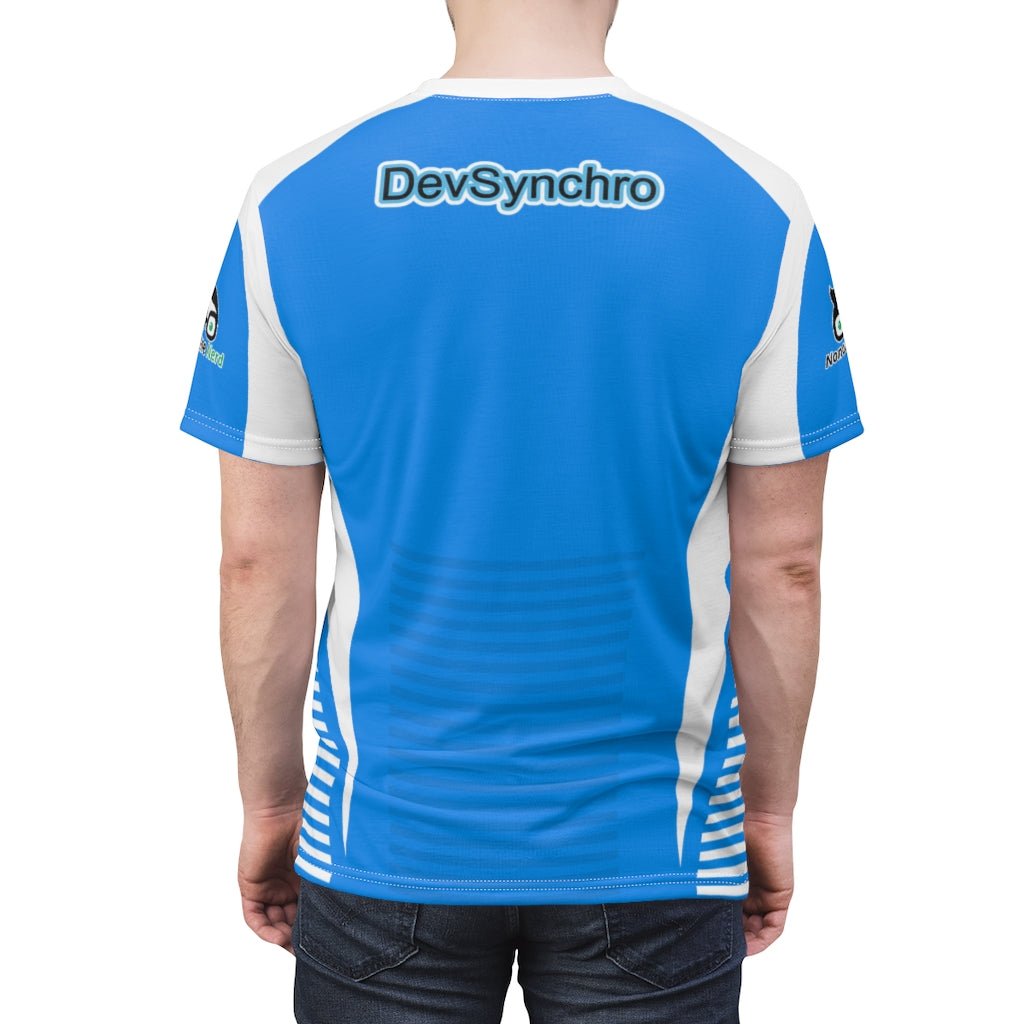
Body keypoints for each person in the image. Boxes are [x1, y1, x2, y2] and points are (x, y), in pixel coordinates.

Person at [180, 1, 863, 1020]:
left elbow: (257, 562)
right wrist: (765, 811)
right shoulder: (757, 204)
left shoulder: (294, 199)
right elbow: (784, 566)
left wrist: (273, 801)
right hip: (658, 844)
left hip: (383, 835)